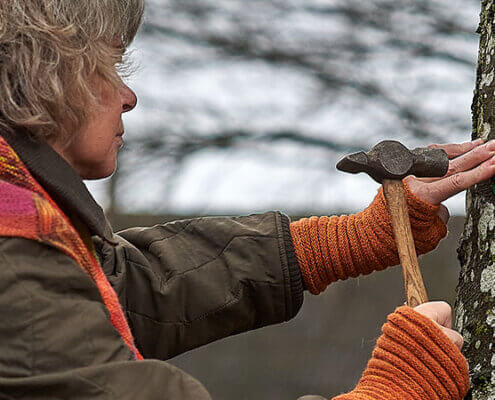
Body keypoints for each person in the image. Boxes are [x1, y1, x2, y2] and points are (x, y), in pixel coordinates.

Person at [0, 1, 489, 398]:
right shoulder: (13, 252)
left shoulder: (26, 225)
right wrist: (394, 391)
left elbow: (123, 290)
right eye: (110, 64)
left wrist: (346, 241)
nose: (128, 96)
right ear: (52, 68)